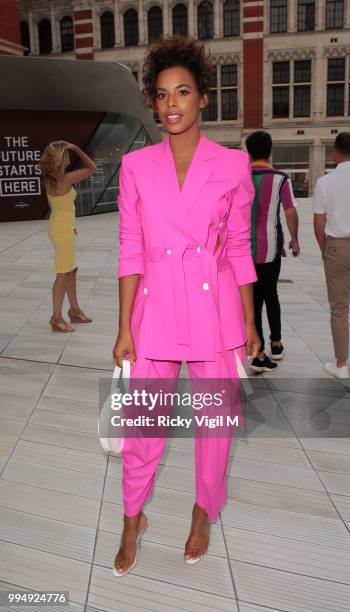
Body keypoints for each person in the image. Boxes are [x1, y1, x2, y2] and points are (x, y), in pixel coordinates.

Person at [112, 35, 260, 577]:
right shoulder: (135, 167)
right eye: (161, 94)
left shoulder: (233, 163)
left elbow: (240, 249)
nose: (171, 104)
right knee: (142, 424)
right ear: (152, 102)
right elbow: (130, 247)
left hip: (214, 309)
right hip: (155, 310)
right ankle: (132, 519)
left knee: (214, 424)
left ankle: (204, 510)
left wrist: (248, 321)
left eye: (183, 92)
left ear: (202, 98)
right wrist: (124, 326)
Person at [245, 131, 300, 373]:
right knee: (271, 296)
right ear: (269, 151)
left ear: (249, 152)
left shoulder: (240, 177)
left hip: (244, 252)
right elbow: (289, 211)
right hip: (271, 251)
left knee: (252, 302)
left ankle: (259, 349)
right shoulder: (281, 179)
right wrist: (294, 239)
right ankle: (276, 343)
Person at [40, 141, 96, 332]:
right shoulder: (66, 178)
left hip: (61, 227)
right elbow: (92, 167)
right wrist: (77, 149)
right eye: (67, 153)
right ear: (62, 157)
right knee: (63, 273)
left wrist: (68, 225)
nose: (70, 155)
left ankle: (74, 310)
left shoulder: (50, 179)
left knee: (71, 270)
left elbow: (56, 206)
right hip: (62, 231)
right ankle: (56, 318)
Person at [313, 132, 350, 379]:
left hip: (337, 246)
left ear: (336, 152)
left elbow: (319, 221)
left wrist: (325, 248)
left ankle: (341, 364)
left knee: (339, 308)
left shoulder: (325, 182)